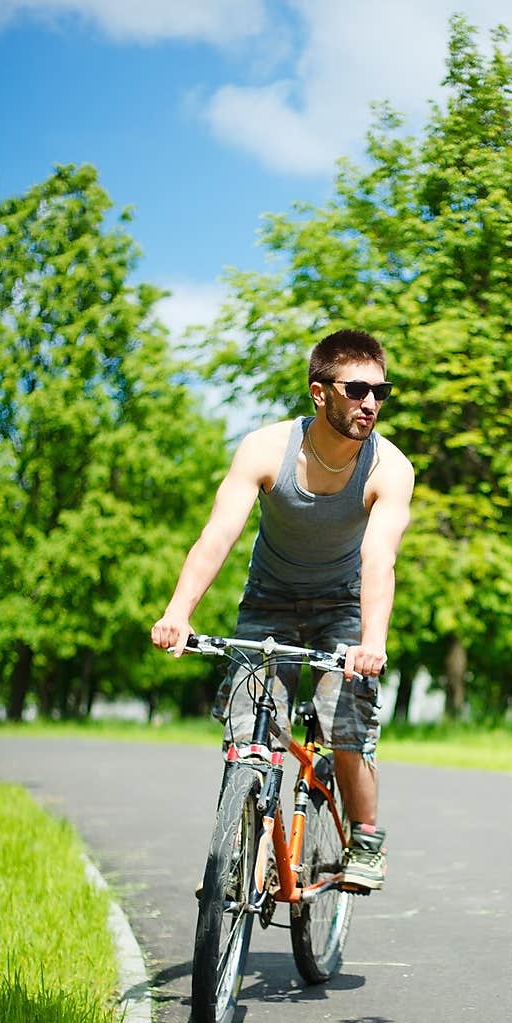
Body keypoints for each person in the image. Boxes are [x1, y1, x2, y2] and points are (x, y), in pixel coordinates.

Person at [150, 328, 415, 891]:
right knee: (248, 732)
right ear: (320, 393)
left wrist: (372, 641)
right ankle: (236, 853)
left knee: (346, 727)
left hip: (343, 607)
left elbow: (379, 558)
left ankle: (365, 838)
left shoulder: (389, 468)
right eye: (357, 390)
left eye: (381, 392)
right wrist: (178, 611)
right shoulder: (266, 448)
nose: (370, 403)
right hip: (269, 601)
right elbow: (219, 534)